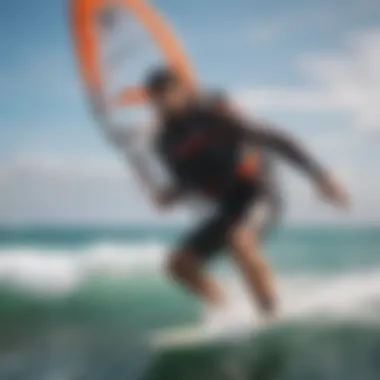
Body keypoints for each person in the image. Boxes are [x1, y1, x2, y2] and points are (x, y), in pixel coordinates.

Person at [140, 66, 349, 321]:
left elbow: (275, 139)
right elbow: (188, 182)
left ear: (183, 91)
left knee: (240, 241)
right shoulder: (164, 143)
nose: (162, 99)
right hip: (229, 206)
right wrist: (169, 195)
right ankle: (224, 312)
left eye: (167, 91)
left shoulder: (212, 114)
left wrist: (320, 176)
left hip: (259, 194)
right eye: (155, 95)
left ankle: (271, 315)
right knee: (179, 265)